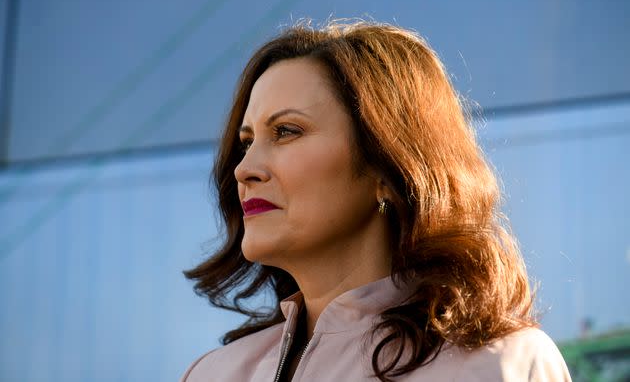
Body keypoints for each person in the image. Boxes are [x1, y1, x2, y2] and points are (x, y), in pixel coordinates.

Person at [180, 19, 571, 381]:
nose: (244, 168)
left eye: (286, 131)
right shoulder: (213, 374)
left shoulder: (499, 365)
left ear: (387, 168)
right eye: (247, 142)